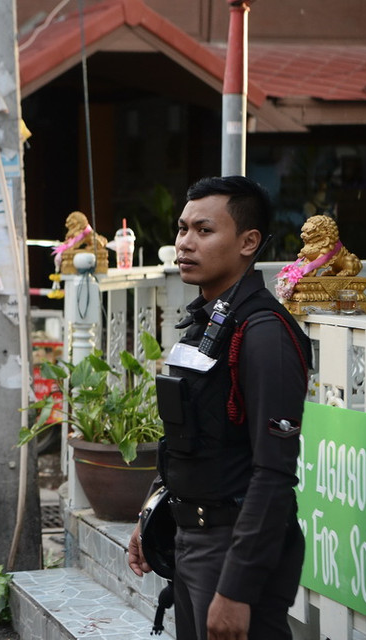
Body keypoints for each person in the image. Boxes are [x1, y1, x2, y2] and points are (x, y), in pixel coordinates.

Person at [127, 176, 312, 640]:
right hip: (191, 541)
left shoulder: (264, 332)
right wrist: (151, 512)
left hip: (234, 549)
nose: (185, 243)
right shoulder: (206, 321)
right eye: (182, 228)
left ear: (248, 242)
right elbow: (185, 440)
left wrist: (237, 589)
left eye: (204, 230)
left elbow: (273, 473)